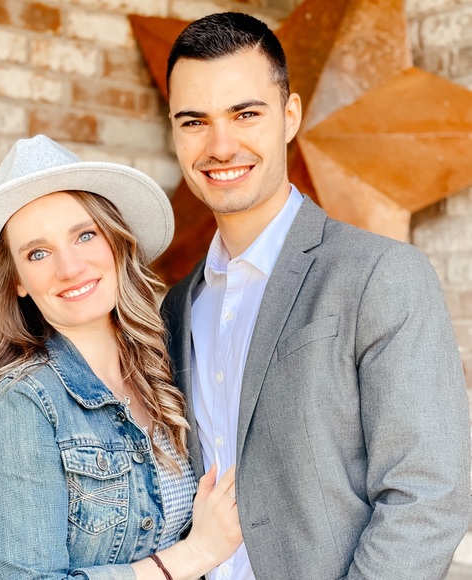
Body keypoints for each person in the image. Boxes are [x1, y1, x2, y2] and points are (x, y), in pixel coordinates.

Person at [161, 11, 471, 580]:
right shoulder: (177, 308)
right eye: (195, 121)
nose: (221, 145)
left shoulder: (380, 274)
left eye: (246, 114)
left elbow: (429, 494)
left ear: (290, 116)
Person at [0, 134, 242, 579]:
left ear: (116, 241)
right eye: (38, 253)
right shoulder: (25, 403)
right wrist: (195, 554)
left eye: (85, 235)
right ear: (18, 280)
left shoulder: (165, 367)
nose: (69, 268)